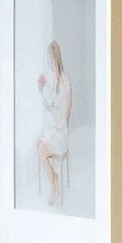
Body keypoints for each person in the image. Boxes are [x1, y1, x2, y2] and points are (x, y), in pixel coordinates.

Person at [35, 37, 73, 207]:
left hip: (60, 131)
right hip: (55, 128)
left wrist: (44, 90)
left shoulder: (63, 81)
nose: (49, 63)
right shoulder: (55, 79)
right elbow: (50, 105)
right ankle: (54, 176)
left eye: (50, 59)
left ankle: (54, 184)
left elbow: (57, 109)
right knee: (37, 144)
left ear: (55, 58)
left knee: (42, 149)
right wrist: (42, 89)